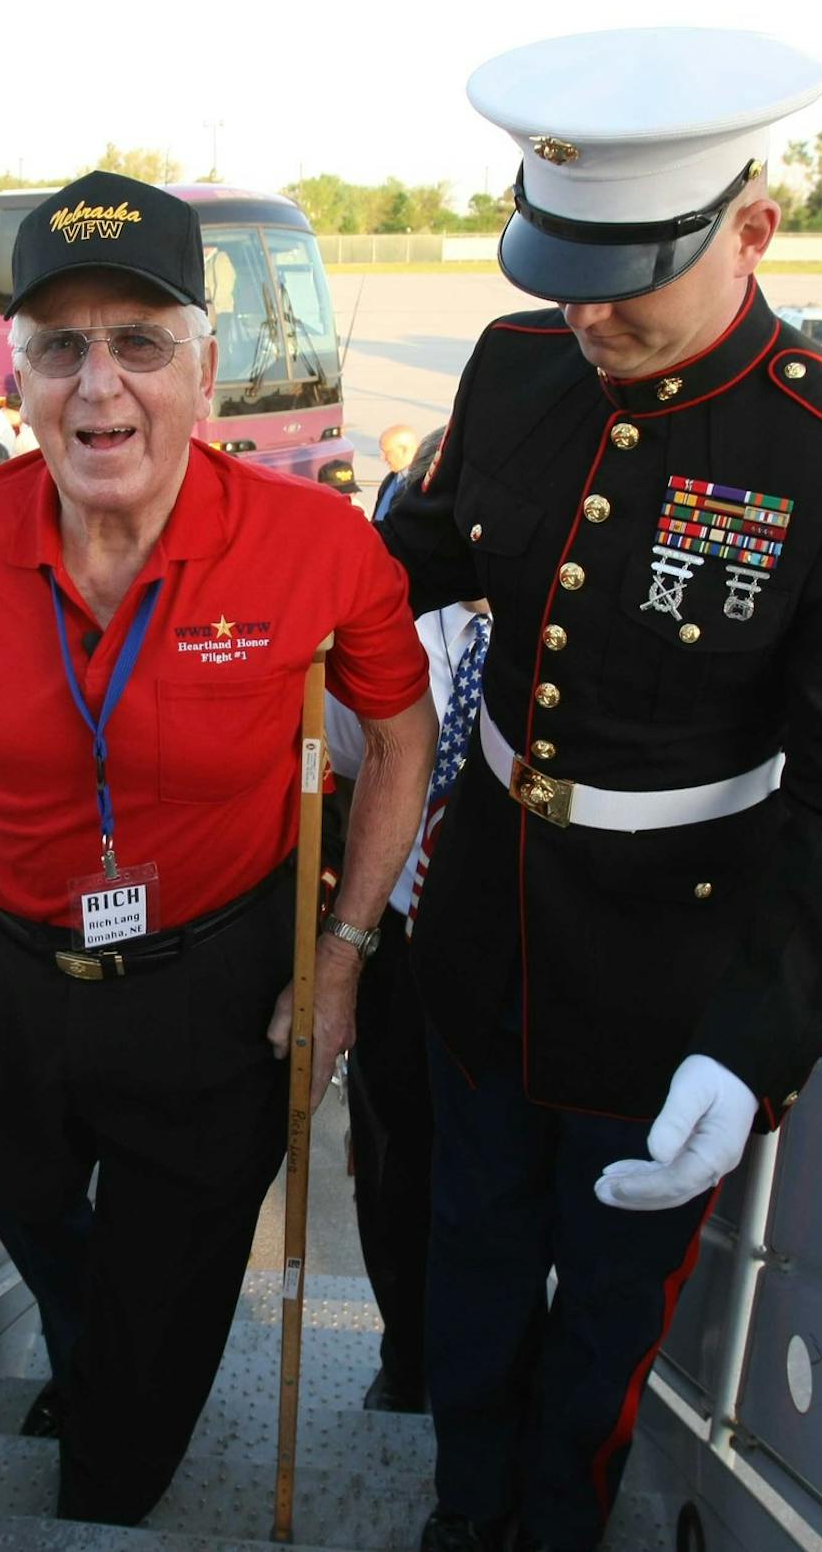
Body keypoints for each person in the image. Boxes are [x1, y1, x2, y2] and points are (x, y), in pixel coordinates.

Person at [0, 170, 436, 1529]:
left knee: (148, 1354)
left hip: (217, 995)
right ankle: (98, 1348)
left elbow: (399, 735)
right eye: (61, 348)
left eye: (140, 343)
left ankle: (106, 1462)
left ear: (205, 370)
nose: (100, 387)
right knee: (38, 1213)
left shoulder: (316, 544)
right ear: (19, 376)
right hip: (16, 981)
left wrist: (341, 958)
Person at [379, 30, 822, 1551]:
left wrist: (756, 1037)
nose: (583, 310)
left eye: (626, 272)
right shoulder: (517, 368)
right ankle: (460, 1514)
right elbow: (426, 562)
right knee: (472, 1256)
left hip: (672, 980)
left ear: (752, 229)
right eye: (558, 263)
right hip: (487, 928)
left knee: (607, 1317)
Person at [322, 585, 490, 1417]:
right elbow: (348, 768)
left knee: (502, 1175)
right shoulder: (400, 632)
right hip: (401, 944)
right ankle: (409, 1358)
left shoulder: (567, 627)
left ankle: (492, 1373)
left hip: (519, 952)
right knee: (393, 1165)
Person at [370, 423, 420, 521]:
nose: (382, 458)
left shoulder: (418, 484)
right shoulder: (390, 479)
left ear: (404, 450)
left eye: (387, 452)